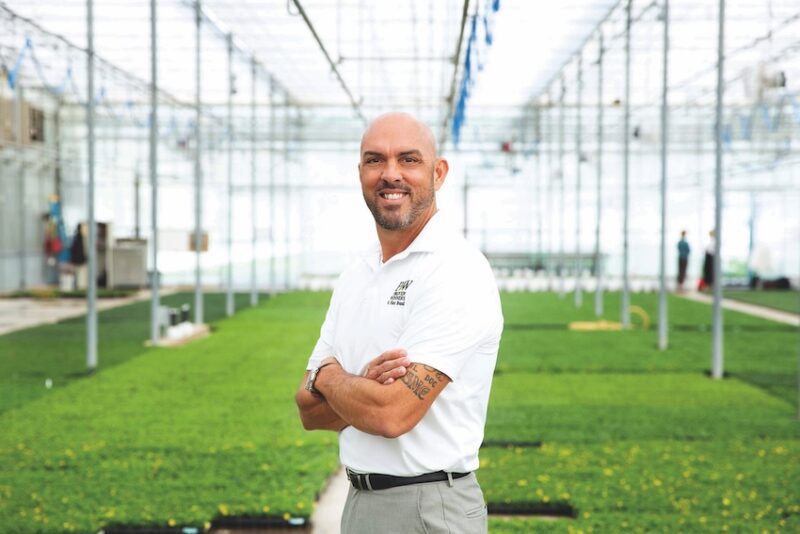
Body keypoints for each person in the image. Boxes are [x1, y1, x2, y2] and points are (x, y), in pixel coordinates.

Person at [295, 112, 503, 534]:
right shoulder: (357, 275)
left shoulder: (456, 270)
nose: (390, 174)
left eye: (408, 160)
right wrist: (362, 387)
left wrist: (333, 378)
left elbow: (392, 415)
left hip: (429, 508)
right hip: (360, 505)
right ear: (360, 174)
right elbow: (308, 411)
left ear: (438, 172)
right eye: (375, 161)